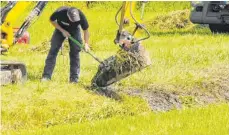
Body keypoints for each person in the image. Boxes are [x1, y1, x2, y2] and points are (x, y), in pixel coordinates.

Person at [41, 6, 90, 83]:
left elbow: (86, 30)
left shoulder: (81, 15)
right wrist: (62, 30)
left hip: (75, 31)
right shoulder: (59, 12)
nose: (74, 21)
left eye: (75, 20)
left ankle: (74, 79)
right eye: (72, 19)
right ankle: (46, 76)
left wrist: (86, 44)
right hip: (60, 29)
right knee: (53, 50)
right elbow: (52, 20)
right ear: (68, 15)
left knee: (75, 52)